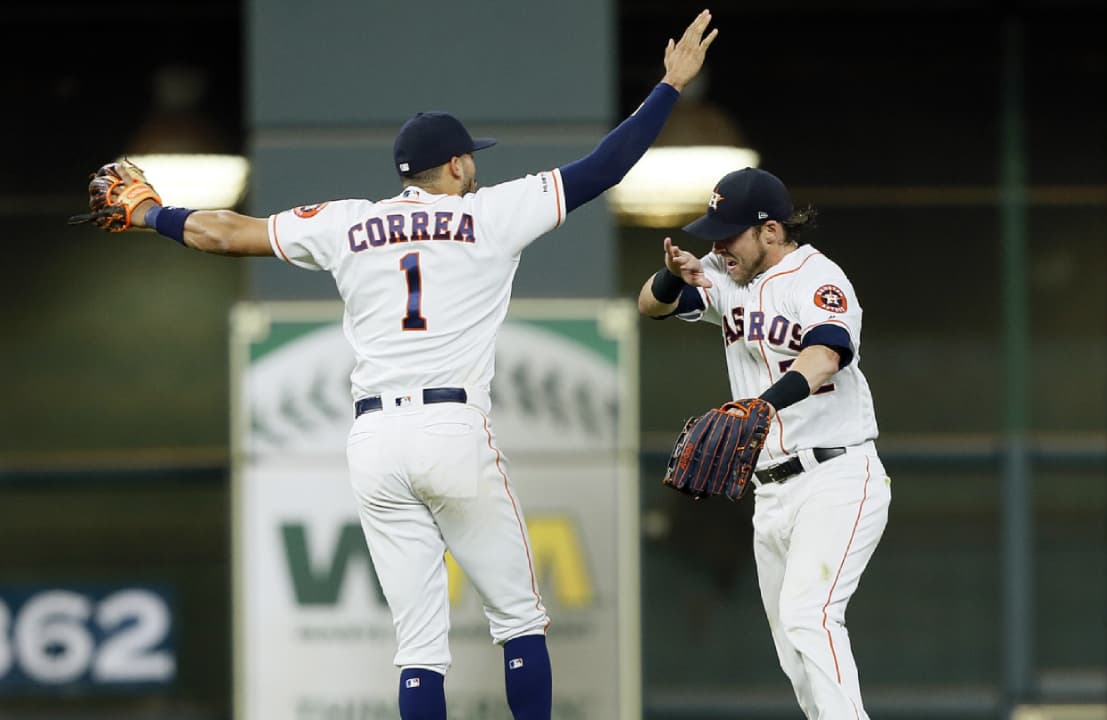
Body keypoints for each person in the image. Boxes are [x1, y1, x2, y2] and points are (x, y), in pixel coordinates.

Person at [79, 11, 717, 720]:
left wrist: (150, 215)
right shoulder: (492, 213)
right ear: (453, 166)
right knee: (518, 620)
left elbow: (222, 231)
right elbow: (605, 167)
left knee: (418, 645)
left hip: (374, 442)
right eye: (469, 157)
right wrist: (667, 86)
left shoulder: (347, 221)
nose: (475, 164)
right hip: (451, 429)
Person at [636, 167, 891, 719]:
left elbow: (824, 357)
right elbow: (648, 306)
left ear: (771, 231)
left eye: (730, 234)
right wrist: (672, 275)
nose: (717, 245)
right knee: (792, 650)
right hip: (770, 493)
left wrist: (763, 405)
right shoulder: (725, 274)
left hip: (836, 476)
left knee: (808, 616)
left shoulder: (817, 279)